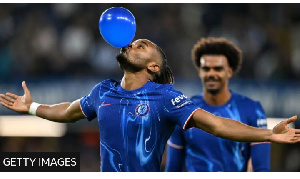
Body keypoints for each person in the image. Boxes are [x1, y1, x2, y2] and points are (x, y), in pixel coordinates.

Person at [0, 39, 299, 172]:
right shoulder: (102, 91)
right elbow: (67, 111)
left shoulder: (166, 97)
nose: (131, 44)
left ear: (154, 66)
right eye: (133, 43)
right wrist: (32, 107)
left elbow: (216, 124)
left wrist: (268, 134)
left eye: (141, 45)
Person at [165, 37, 271, 172]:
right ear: (200, 71)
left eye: (218, 68)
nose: (211, 73)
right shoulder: (184, 111)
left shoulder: (252, 110)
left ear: (230, 71)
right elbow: (172, 170)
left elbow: (262, 169)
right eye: (206, 68)